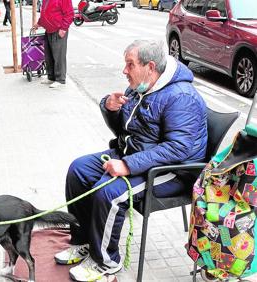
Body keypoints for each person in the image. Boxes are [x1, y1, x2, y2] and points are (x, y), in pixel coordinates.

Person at [54, 40, 208, 282]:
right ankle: (84, 240)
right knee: (79, 170)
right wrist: (110, 108)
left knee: (109, 191)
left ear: (150, 66)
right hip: (135, 155)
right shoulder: (140, 86)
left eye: (130, 65)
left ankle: (106, 261)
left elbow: (179, 148)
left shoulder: (181, 97)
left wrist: (127, 165)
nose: (125, 71)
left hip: (172, 171)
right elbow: (122, 131)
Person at [31, 0, 73, 89]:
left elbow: (69, 14)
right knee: (48, 55)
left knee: (58, 56)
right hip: (49, 29)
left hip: (58, 30)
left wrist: (64, 28)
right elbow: (44, 13)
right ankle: (51, 77)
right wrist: (39, 23)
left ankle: (60, 79)